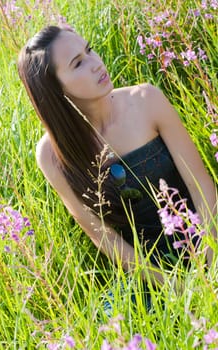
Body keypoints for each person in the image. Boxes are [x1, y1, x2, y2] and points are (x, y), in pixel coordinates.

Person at [18, 25, 216, 287]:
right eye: (77, 64)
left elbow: (200, 184)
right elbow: (103, 236)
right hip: (147, 272)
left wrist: (210, 261)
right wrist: (174, 287)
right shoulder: (51, 155)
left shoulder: (146, 100)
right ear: (55, 89)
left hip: (203, 236)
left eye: (89, 50)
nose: (95, 63)